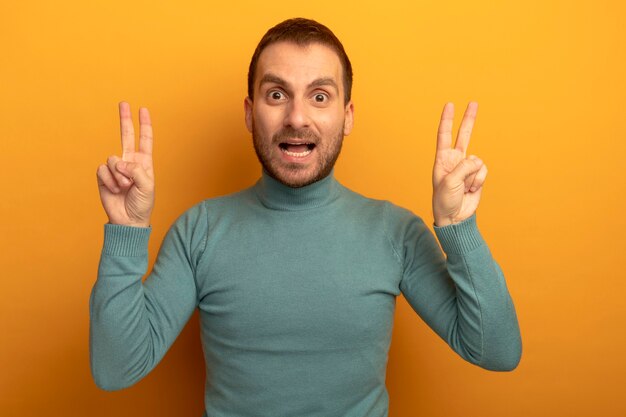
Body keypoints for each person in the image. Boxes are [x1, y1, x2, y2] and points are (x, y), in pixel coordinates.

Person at [90, 17, 521, 417]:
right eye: (276, 95)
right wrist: (126, 233)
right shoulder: (199, 231)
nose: (297, 118)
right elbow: (116, 369)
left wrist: (459, 230)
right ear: (248, 112)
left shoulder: (395, 233)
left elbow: (497, 351)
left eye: (319, 96)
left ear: (347, 116)